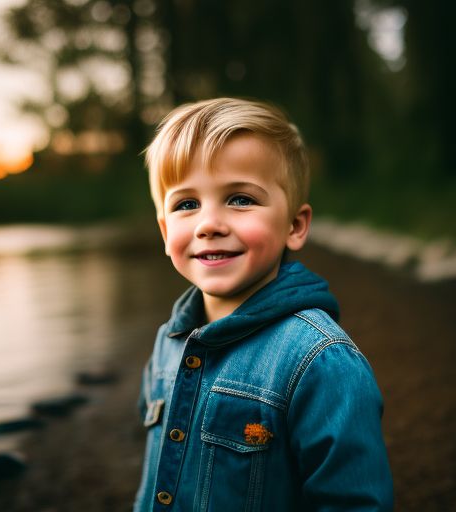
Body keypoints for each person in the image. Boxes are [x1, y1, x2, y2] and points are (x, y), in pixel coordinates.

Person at [134, 98, 393, 511]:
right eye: (186, 204)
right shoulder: (169, 341)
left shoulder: (321, 362)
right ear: (166, 232)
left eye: (240, 199)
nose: (209, 224)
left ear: (294, 225)